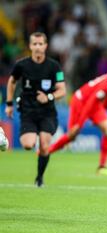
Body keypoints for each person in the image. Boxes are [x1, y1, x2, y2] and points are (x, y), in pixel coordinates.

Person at [5, 32, 66, 187]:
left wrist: (49, 97)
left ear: (45, 46)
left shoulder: (54, 66)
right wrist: (9, 103)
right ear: (30, 46)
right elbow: (12, 82)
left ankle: (39, 178)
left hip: (47, 113)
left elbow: (62, 90)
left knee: (45, 145)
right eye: (35, 44)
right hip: (28, 112)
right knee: (27, 145)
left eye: (41, 44)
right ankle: (9, 141)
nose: (38, 47)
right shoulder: (21, 65)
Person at [48, 68, 107, 176]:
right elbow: (90, 102)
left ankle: (102, 166)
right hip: (80, 101)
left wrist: (100, 117)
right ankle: (47, 151)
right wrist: (80, 123)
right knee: (72, 135)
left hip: (95, 105)